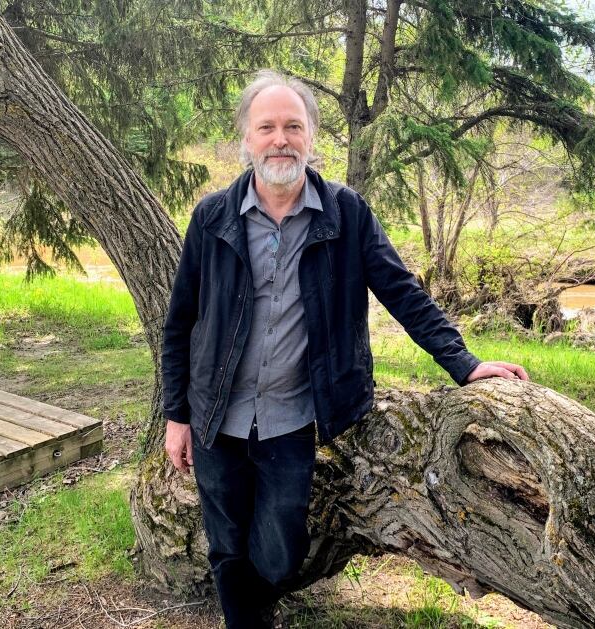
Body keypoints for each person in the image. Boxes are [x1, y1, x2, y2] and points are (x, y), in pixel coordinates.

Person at [161, 69, 529, 628]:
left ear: (310, 137)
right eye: (266, 127)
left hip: (292, 417)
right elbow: (179, 321)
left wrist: (466, 363)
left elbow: (403, 292)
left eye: (292, 126)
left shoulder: (345, 213)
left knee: (279, 552)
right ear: (246, 138)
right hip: (216, 416)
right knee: (227, 546)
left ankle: (255, 602)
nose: (279, 138)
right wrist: (176, 415)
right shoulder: (212, 218)